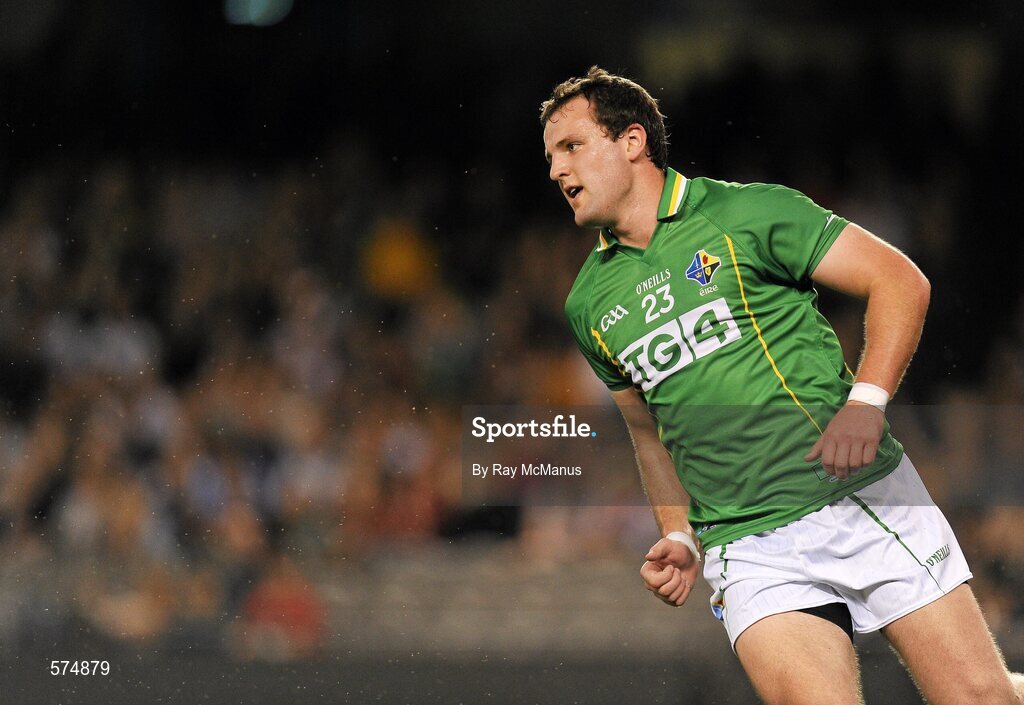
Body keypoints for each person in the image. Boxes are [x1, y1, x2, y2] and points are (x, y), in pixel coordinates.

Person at [540, 66, 1024, 705]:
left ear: (632, 141)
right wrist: (680, 533)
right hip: (746, 545)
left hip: (853, 497)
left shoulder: (747, 212)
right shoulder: (588, 302)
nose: (557, 170)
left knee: (980, 698)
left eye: (571, 146)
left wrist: (866, 403)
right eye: (551, 156)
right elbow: (647, 432)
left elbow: (900, 280)